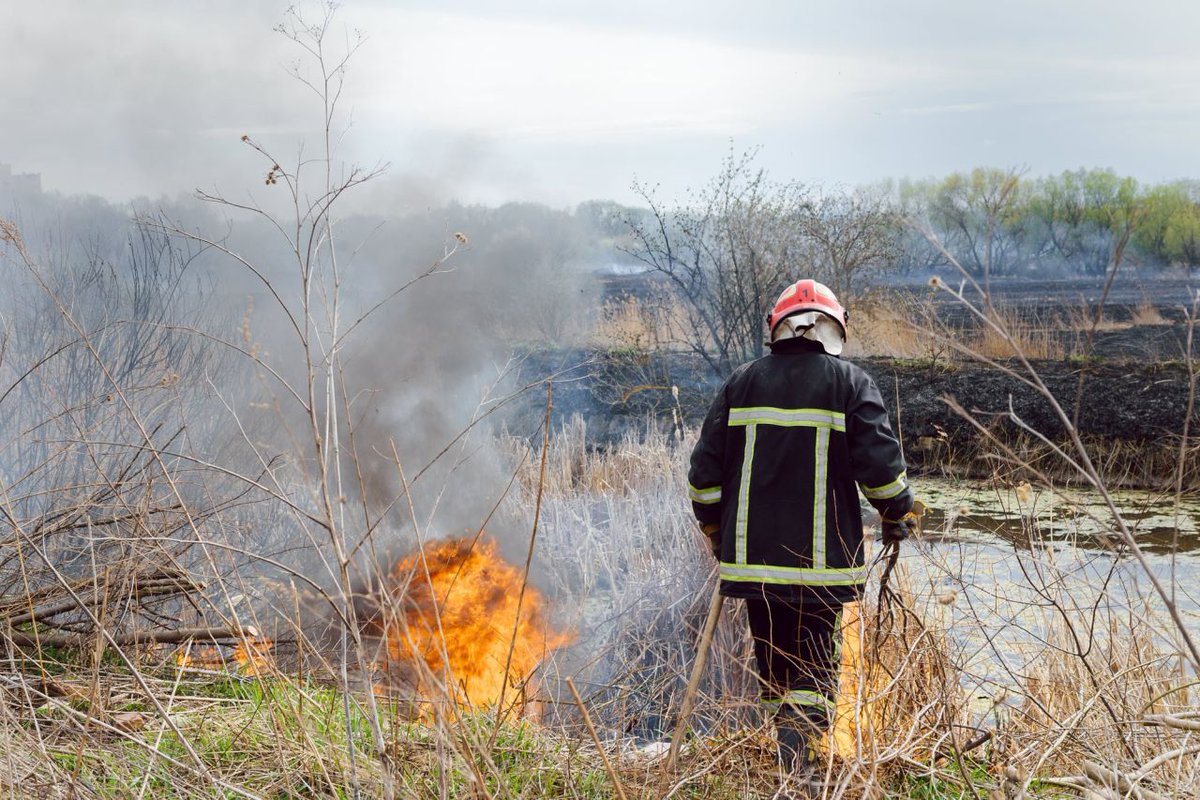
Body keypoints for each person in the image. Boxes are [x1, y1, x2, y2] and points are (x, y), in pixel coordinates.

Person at [687, 278, 916, 794]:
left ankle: (789, 761)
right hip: (822, 569)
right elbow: (880, 469)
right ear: (832, 329)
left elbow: (703, 478)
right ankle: (803, 771)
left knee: (775, 661)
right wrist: (897, 510)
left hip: (753, 565)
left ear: (777, 328)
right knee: (814, 663)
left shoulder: (740, 383)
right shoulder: (850, 383)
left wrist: (716, 530)